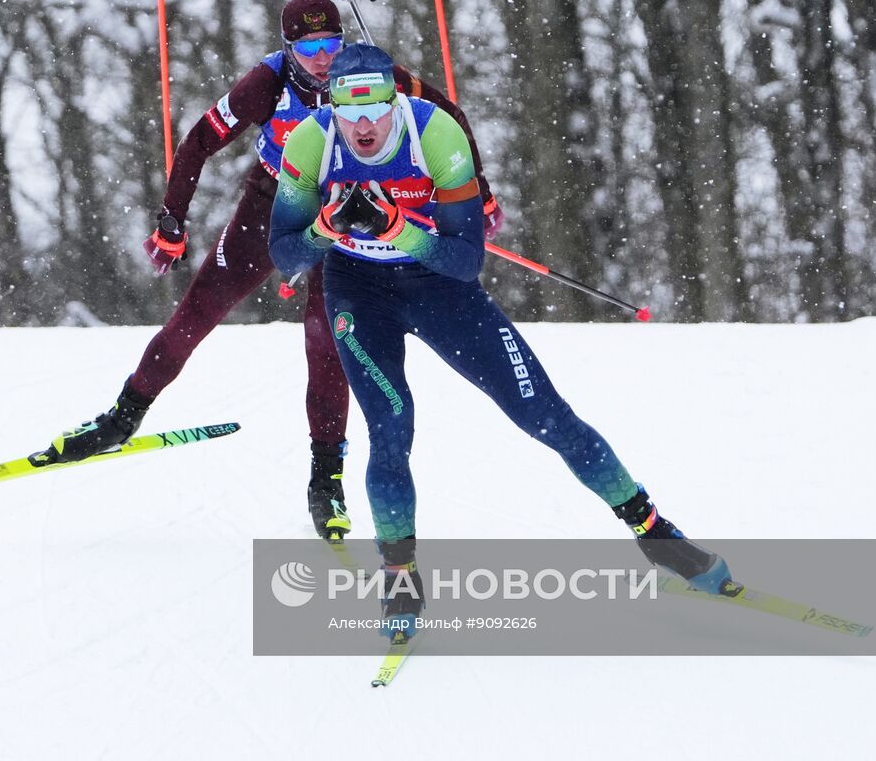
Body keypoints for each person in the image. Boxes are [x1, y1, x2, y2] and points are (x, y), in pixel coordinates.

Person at [268, 42, 731, 635]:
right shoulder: (310, 141)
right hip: (359, 292)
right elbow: (285, 253)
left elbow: (465, 261)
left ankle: (656, 533)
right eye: (346, 107)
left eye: (374, 107)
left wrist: (397, 229)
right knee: (390, 427)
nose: (361, 124)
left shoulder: (435, 134)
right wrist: (325, 228)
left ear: (394, 100)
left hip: (439, 286)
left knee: (545, 415)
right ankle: (399, 577)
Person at [31, 0, 503, 541]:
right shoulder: (267, 82)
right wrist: (171, 221)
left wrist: (480, 195)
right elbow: (197, 142)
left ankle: (325, 479)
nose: (323, 59)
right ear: (289, 48)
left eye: (331, 45)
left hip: (345, 213)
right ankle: (124, 414)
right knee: (201, 309)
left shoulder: (373, 76)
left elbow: (449, 115)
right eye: (309, 49)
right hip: (272, 203)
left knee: (327, 342)